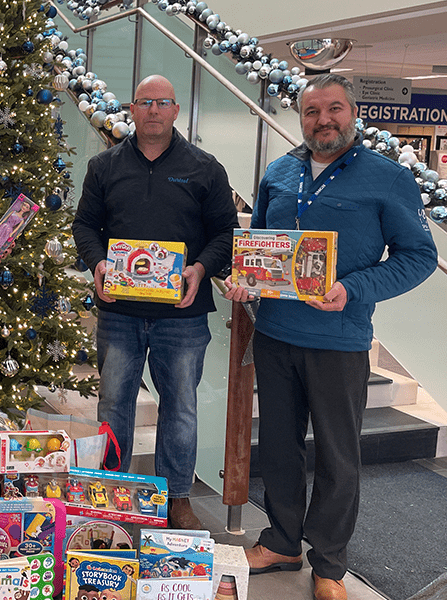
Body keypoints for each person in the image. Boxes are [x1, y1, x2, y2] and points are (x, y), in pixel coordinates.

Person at [223, 74, 437, 600]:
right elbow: (266, 249)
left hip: (339, 342)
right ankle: (281, 540)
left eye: (335, 109)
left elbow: (420, 257)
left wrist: (353, 288)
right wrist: (247, 282)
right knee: (277, 448)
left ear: (353, 113)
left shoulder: (387, 178)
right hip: (274, 335)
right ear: (301, 117)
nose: (324, 119)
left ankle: (330, 564)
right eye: (313, 111)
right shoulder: (278, 172)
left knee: (339, 458)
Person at [72, 75, 238, 530]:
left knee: (180, 406)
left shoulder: (205, 167)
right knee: (113, 404)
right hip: (120, 313)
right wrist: (97, 263)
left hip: (182, 315)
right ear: (132, 107)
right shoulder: (104, 166)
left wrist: (200, 268)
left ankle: (176, 496)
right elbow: (84, 225)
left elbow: (225, 233)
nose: (153, 110)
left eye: (162, 102)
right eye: (145, 102)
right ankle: (110, 492)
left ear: (175, 110)